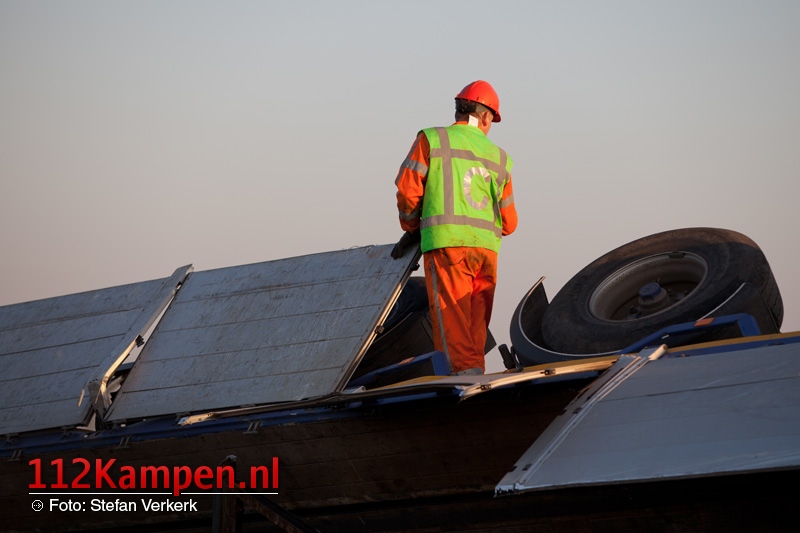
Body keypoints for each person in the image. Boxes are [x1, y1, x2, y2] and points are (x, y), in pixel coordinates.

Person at [391, 80, 518, 375]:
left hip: (447, 246)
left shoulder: (432, 139)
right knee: (476, 319)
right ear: (484, 117)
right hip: (486, 252)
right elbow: (510, 223)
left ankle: (461, 375)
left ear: (459, 110)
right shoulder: (501, 158)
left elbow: (408, 190)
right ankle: (474, 372)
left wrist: (411, 225)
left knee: (451, 316)